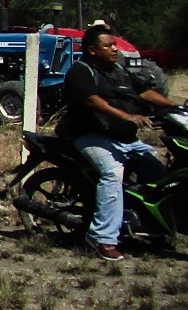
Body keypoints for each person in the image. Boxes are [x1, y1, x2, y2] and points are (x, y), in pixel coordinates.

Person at [59, 24, 177, 260]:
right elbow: (93, 102)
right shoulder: (80, 72)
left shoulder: (119, 69)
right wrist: (129, 117)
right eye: (108, 45)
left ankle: (151, 227)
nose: (115, 49)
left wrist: (174, 105)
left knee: (159, 174)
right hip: (92, 136)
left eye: (114, 44)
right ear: (93, 50)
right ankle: (102, 238)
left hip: (125, 139)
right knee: (113, 173)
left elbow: (144, 93)